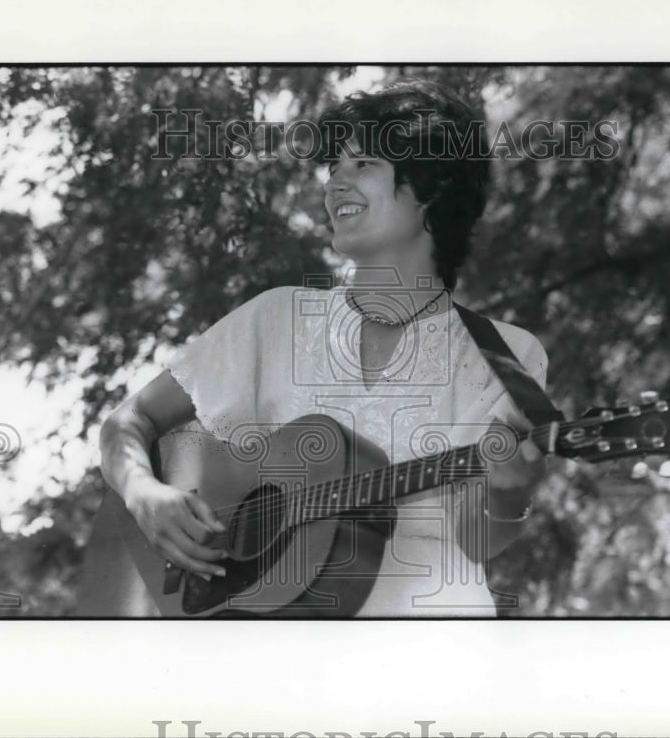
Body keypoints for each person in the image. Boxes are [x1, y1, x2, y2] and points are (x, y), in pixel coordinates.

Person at [97, 79, 551, 617]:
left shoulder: (507, 355)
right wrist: (144, 493)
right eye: (334, 167)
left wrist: (510, 492)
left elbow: (478, 543)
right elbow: (128, 422)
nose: (335, 183)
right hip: (268, 651)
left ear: (434, 186)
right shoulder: (277, 316)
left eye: (364, 165)